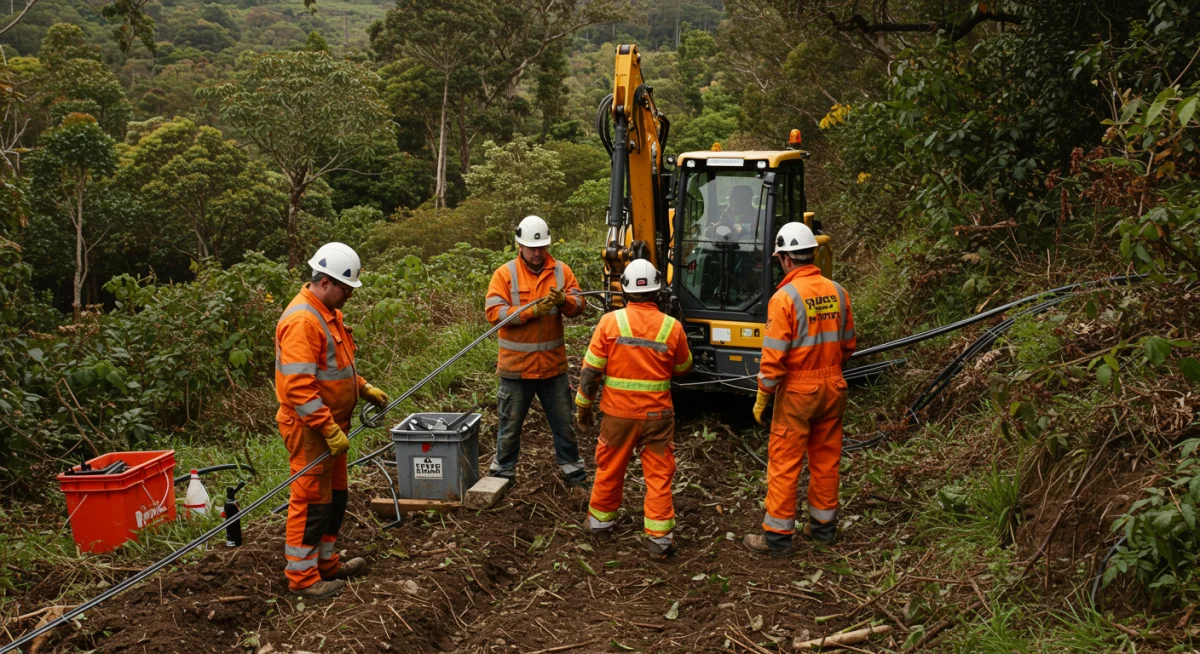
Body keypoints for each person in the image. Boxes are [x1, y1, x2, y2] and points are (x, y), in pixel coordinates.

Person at [275, 242, 390, 598]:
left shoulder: (328, 313)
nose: (350, 295)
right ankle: (303, 578)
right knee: (311, 501)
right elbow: (299, 388)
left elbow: (332, 370)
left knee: (335, 497)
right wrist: (326, 427)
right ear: (325, 282)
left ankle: (326, 563)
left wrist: (362, 387)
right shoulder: (302, 321)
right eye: (346, 288)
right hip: (311, 429)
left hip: (333, 428)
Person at [743, 222, 856, 556]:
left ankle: (777, 538)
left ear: (786, 259)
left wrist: (763, 395)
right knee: (826, 460)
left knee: (784, 463)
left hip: (797, 393)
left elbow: (774, 357)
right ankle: (823, 529)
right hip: (833, 387)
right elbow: (848, 345)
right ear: (812, 254)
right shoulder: (838, 292)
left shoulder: (784, 298)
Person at [574, 259, 693, 559]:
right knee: (659, 475)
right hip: (658, 418)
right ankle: (660, 540)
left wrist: (583, 409)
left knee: (610, 468)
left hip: (618, 416)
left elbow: (590, 373)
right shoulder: (673, 326)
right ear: (658, 291)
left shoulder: (609, 323)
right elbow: (683, 368)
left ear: (625, 291)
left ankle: (600, 525)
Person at [484, 215, 589, 490]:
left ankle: (574, 473)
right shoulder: (505, 274)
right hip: (516, 368)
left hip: (552, 368)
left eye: (541, 247)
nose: (537, 252)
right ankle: (502, 473)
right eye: (532, 248)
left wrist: (565, 301)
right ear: (520, 245)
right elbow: (494, 313)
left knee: (564, 424)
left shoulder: (561, 271)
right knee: (509, 426)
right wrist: (530, 311)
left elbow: (580, 305)